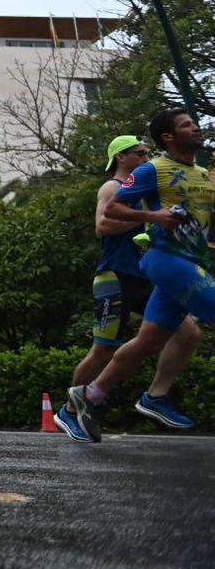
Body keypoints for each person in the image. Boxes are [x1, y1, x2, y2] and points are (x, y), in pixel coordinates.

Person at [63, 107, 214, 442]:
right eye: (187, 125)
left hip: (175, 266)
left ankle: (96, 396)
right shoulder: (143, 174)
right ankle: (71, 408)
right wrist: (154, 217)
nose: (196, 127)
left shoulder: (203, 174)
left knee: (160, 337)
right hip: (141, 268)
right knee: (103, 347)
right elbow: (107, 218)